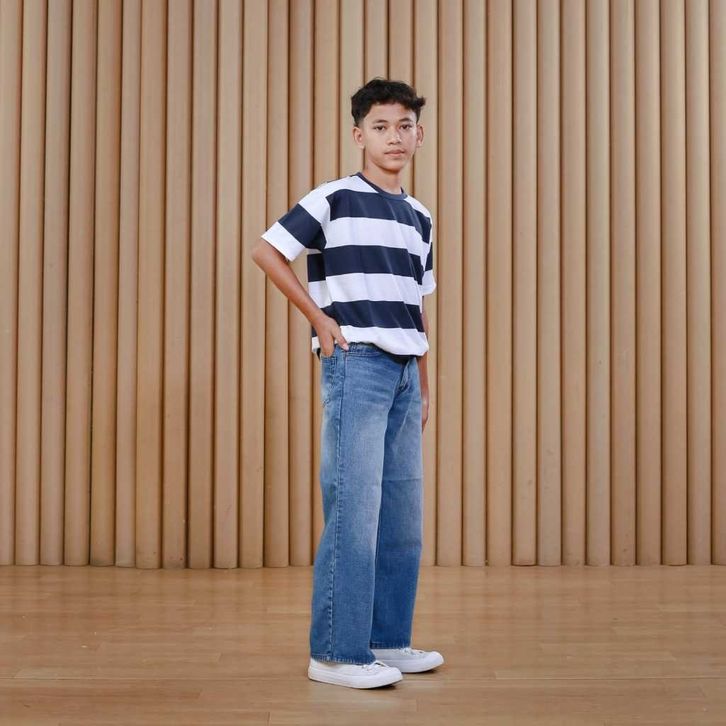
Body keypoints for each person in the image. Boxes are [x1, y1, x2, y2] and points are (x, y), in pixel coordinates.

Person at [251, 78, 444, 689]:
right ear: (359, 135)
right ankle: (336, 653)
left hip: (405, 372)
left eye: (405, 126)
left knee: (402, 517)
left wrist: (424, 382)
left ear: (419, 134)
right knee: (354, 509)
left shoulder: (420, 217)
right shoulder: (333, 198)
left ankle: (386, 640)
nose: (394, 137)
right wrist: (319, 319)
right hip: (356, 362)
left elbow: (416, 304)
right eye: (381, 127)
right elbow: (267, 250)